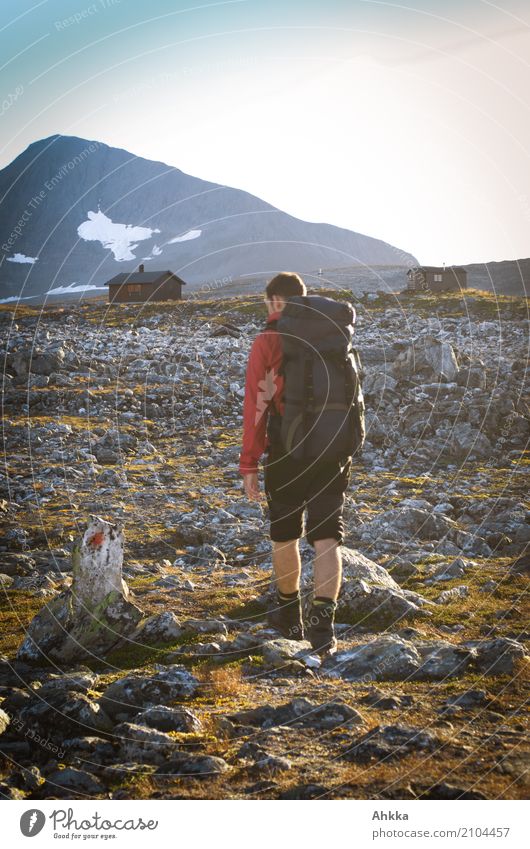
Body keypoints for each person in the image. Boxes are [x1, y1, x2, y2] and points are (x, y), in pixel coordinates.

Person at [239, 272, 352, 654]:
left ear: (272, 300)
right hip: (334, 450)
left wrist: (249, 463)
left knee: (284, 533)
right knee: (326, 537)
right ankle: (323, 631)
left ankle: (290, 620)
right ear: (304, 298)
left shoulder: (269, 340)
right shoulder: (336, 334)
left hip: (287, 451)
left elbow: (257, 403)